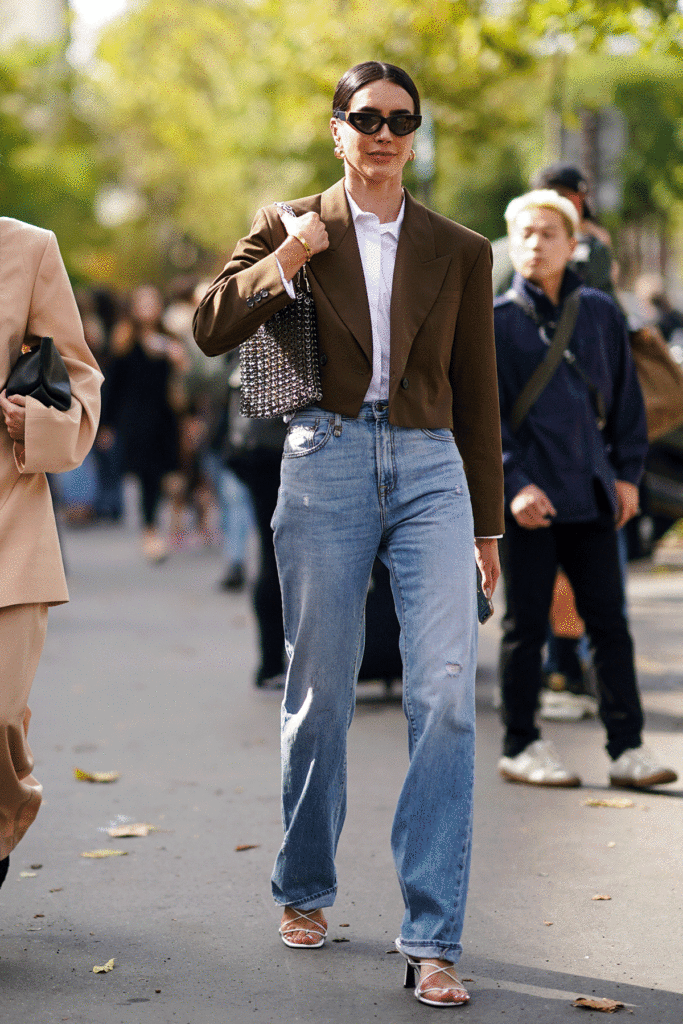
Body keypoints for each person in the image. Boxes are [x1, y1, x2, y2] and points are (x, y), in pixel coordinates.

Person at [194, 61, 504, 1008]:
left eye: (400, 120)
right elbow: (210, 327)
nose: (383, 134)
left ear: (415, 135)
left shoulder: (459, 249)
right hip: (321, 456)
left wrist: (487, 527)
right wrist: (288, 257)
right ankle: (304, 883)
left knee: (443, 694)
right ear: (336, 130)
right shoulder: (287, 221)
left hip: (430, 466)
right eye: (366, 118)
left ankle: (432, 937)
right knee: (320, 691)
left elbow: (478, 391)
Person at [494, 189, 677, 790]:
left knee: (609, 626)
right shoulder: (494, 321)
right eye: (525, 233)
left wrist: (627, 475)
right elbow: (482, 419)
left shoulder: (598, 311)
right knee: (525, 627)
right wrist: (513, 483)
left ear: (573, 245)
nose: (535, 244)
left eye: (549, 233)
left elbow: (626, 401)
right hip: (529, 504)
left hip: (592, 493)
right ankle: (521, 745)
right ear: (511, 243)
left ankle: (628, 750)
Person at [0, 216, 102, 889]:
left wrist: (35, 421)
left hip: (8, 513)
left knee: (1, 713)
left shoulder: (28, 249)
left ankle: (4, 819)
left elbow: (80, 377)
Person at [100, 285, 186, 562]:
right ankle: (150, 531)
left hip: (164, 418)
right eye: (143, 303)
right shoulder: (124, 341)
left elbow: (185, 380)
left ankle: (163, 526)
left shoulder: (170, 340)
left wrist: (177, 358)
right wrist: (105, 424)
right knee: (147, 474)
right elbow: (112, 385)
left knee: (168, 476)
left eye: (153, 302)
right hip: (134, 420)